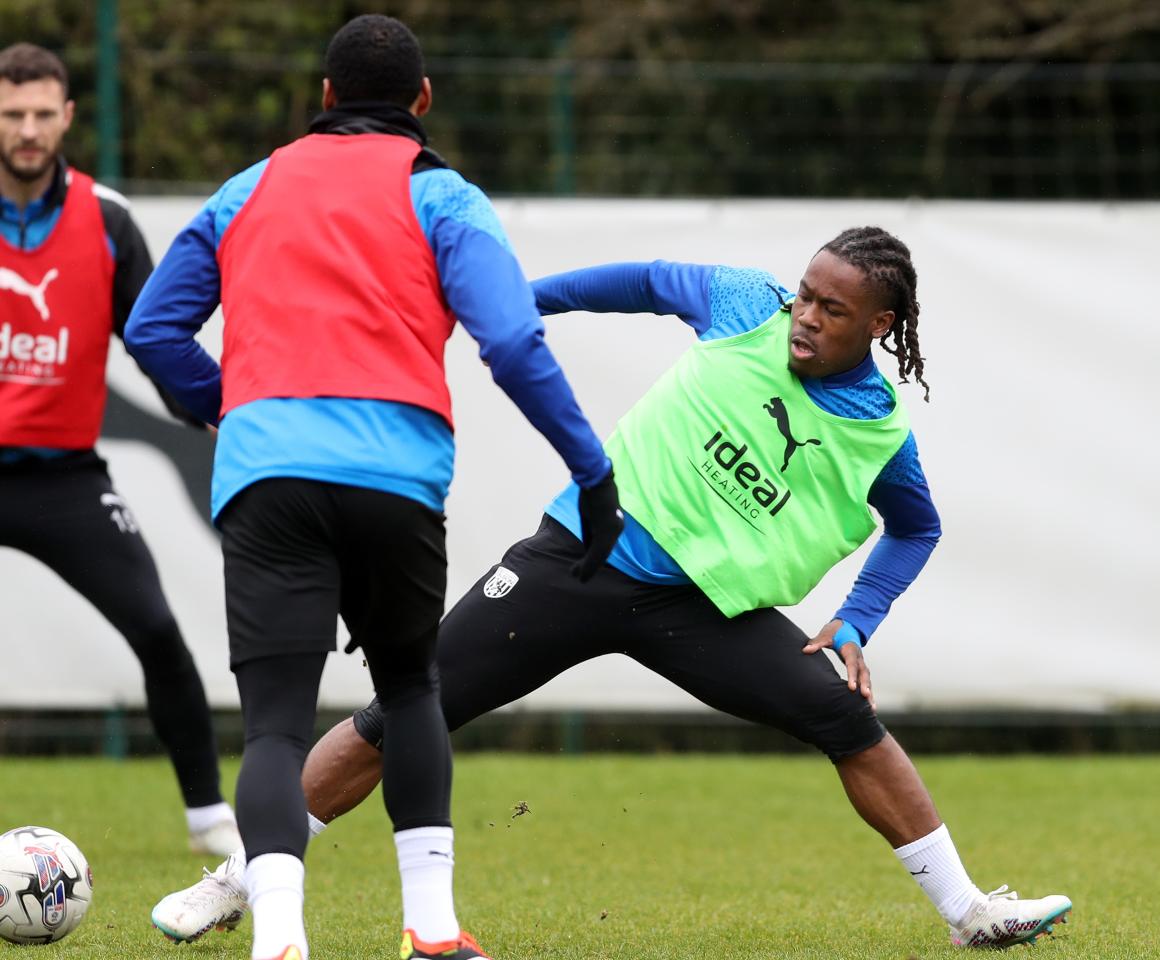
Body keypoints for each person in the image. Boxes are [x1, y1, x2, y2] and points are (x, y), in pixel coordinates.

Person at [151, 228, 1072, 950]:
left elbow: (918, 526)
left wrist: (857, 617)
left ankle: (967, 911)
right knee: (403, 711)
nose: (805, 316)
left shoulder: (880, 432)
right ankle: (237, 881)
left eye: (833, 309)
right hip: (576, 560)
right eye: (806, 295)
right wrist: (523, 304)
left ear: (879, 325)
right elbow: (638, 281)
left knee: (848, 723)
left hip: (705, 610)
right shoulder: (744, 303)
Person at [125, 15, 622, 960]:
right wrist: (590, 469)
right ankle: (431, 932)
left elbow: (154, 329)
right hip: (396, 479)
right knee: (409, 689)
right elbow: (513, 342)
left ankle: (279, 939)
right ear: (423, 103)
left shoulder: (248, 187)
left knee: (274, 725)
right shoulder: (446, 195)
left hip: (269, 479)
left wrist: (229, 411)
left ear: (323, 99)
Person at [0, 42, 239, 857]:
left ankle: (212, 822)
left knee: (158, 631)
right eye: (12, 115)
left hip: (65, 477)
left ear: (66, 117)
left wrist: (216, 409)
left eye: (41, 114)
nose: (27, 131)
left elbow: (153, 341)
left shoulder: (105, 220)